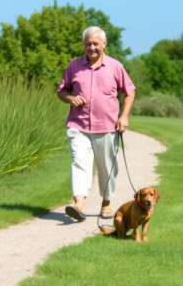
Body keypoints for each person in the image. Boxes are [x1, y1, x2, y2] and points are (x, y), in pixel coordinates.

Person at [57, 26, 136, 222]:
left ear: (104, 44)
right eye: (88, 44)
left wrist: (124, 116)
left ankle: (107, 203)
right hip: (78, 125)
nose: (91, 47)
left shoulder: (115, 66)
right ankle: (79, 204)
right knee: (79, 162)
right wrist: (70, 98)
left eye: (95, 43)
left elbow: (130, 91)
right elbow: (61, 91)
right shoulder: (74, 66)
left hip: (107, 126)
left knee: (106, 166)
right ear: (83, 45)